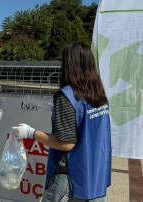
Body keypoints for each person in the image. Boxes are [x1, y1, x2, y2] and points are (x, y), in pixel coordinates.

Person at [12, 43, 111, 202]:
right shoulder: (99, 94)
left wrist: (30, 133)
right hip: (96, 177)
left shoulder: (67, 97)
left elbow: (66, 143)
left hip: (71, 179)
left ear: (68, 65)